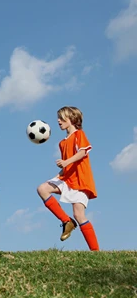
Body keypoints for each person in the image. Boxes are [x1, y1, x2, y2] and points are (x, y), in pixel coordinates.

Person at [36, 106, 99, 251]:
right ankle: (66, 221)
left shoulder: (79, 135)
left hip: (80, 179)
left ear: (72, 119)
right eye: (58, 117)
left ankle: (96, 252)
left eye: (62, 117)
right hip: (66, 178)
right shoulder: (62, 143)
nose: (58, 121)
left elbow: (82, 153)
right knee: (42, 189)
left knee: (79, 214)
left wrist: (66, 162)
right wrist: (62, 170)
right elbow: (67, 164)